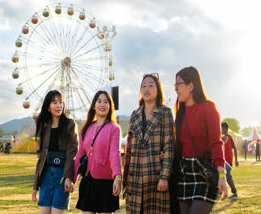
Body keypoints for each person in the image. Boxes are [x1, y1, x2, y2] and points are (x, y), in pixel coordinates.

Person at [174, 66, 228, 214]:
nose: (175, 89)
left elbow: (216, 142)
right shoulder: (180, 113)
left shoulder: (208, 108)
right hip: (184, 175)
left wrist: (222, 176)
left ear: (190, 86)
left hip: (204, 176)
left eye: (178, 84)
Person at [122, 74, 174, 213]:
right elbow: (129, 149)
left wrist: (164, 176)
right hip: (135, 176)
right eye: (143, 86)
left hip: (155, 176)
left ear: (158, 89)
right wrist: (125, 180)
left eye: (151, 85)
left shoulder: (165, 113)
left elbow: (169, 146)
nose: (146, 89)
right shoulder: (135, 114)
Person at [74, 90, 121, 214]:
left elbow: (114, 154)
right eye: (99, 101)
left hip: (106, 182)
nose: (102, 105)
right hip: (87, 181)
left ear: (110, 107)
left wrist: (117, 176)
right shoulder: (86, 128)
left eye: (106, 102)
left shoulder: (114, 128)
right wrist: (72, 178)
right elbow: (80, 154)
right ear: (94, 105)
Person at [32, 90, 78, 214]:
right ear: (48, 107)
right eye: (54, 102)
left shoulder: (70, 124)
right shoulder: (44, 126)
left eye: (60, 102)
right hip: (46, 175)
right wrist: (35, 186)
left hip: (62, 175)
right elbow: (41, 157)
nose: (59, 106)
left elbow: (72, 153)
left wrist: (69, 177)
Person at [221, 122, 239, 200]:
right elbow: (234, 148)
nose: (220, 130)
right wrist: (236, 160)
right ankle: (219, 191)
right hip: (228, 161)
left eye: (221, 128)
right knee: (222, 175)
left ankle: (234, 193)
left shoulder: (224, 138)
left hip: (226, 161)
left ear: (225, 129)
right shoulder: (230, 137)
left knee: (227, 177)